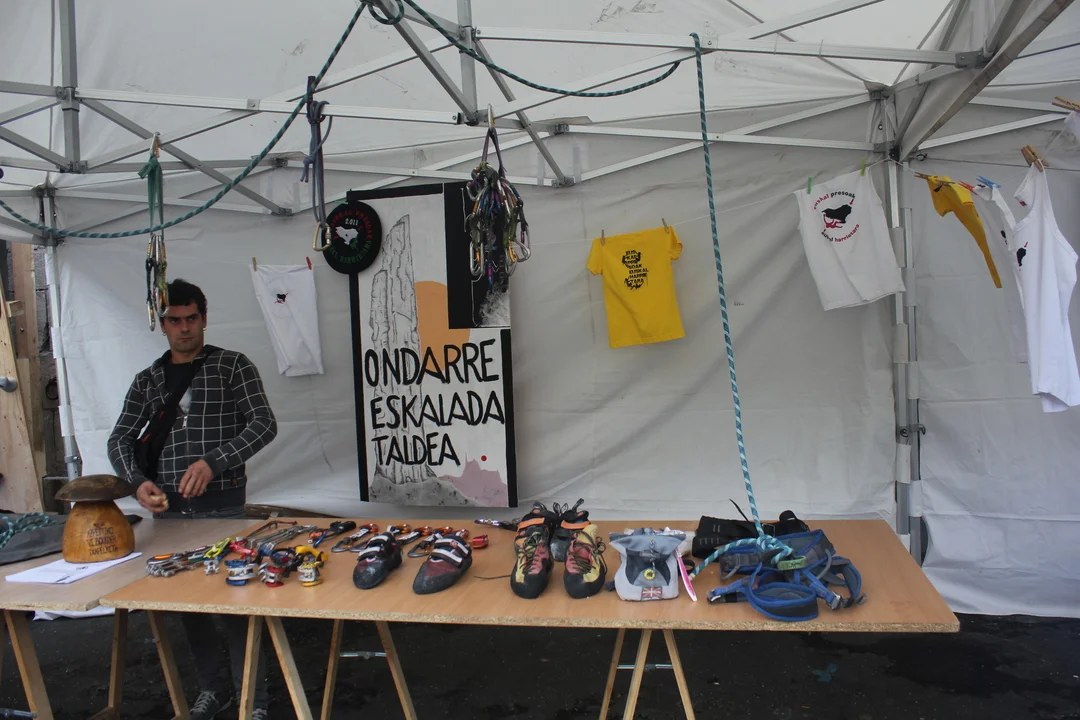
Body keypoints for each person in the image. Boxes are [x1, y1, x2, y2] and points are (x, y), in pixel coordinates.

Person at [108, 279, 278, 720]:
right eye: (174, 320)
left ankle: (254, 700)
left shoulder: (232, 365)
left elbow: (264, 424)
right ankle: (214, 689)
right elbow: (119, 438)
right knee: (190, 607)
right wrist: (137, 483)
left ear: (204, 318)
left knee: (239, 602)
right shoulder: (148, 380)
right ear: (162, 324)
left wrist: (213, 463)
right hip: (170, 514)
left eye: (191, 318)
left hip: (224, 506)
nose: (183, 328)